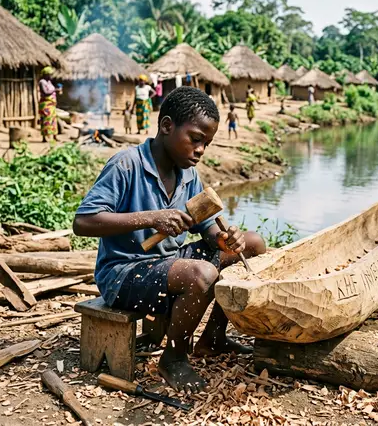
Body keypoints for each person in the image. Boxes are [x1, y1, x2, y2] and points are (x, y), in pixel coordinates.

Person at [72, 87, 265, 393]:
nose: (201, 149)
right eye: (196, 139)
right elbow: (82, 222)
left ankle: (212, 338)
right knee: (202, 275)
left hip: (168, 264)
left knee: (254, 244)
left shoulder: (189, 175)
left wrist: (224, 239)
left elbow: (206, 227)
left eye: (207, 143)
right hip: (124, 274)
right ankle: (174, 358)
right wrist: (151, 217)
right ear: (166, 126)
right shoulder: (126, 165)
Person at [38, 66, 62, 143]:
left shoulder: (49, 82)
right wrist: (55, 90)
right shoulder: (42, 82)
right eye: (49, 74)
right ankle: (45, 138)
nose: (51, 76)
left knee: (54, 120)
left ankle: (54, 137)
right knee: (46, 120)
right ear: (45, 74)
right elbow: (45, 92)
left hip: (52, 104)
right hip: (46, 105)